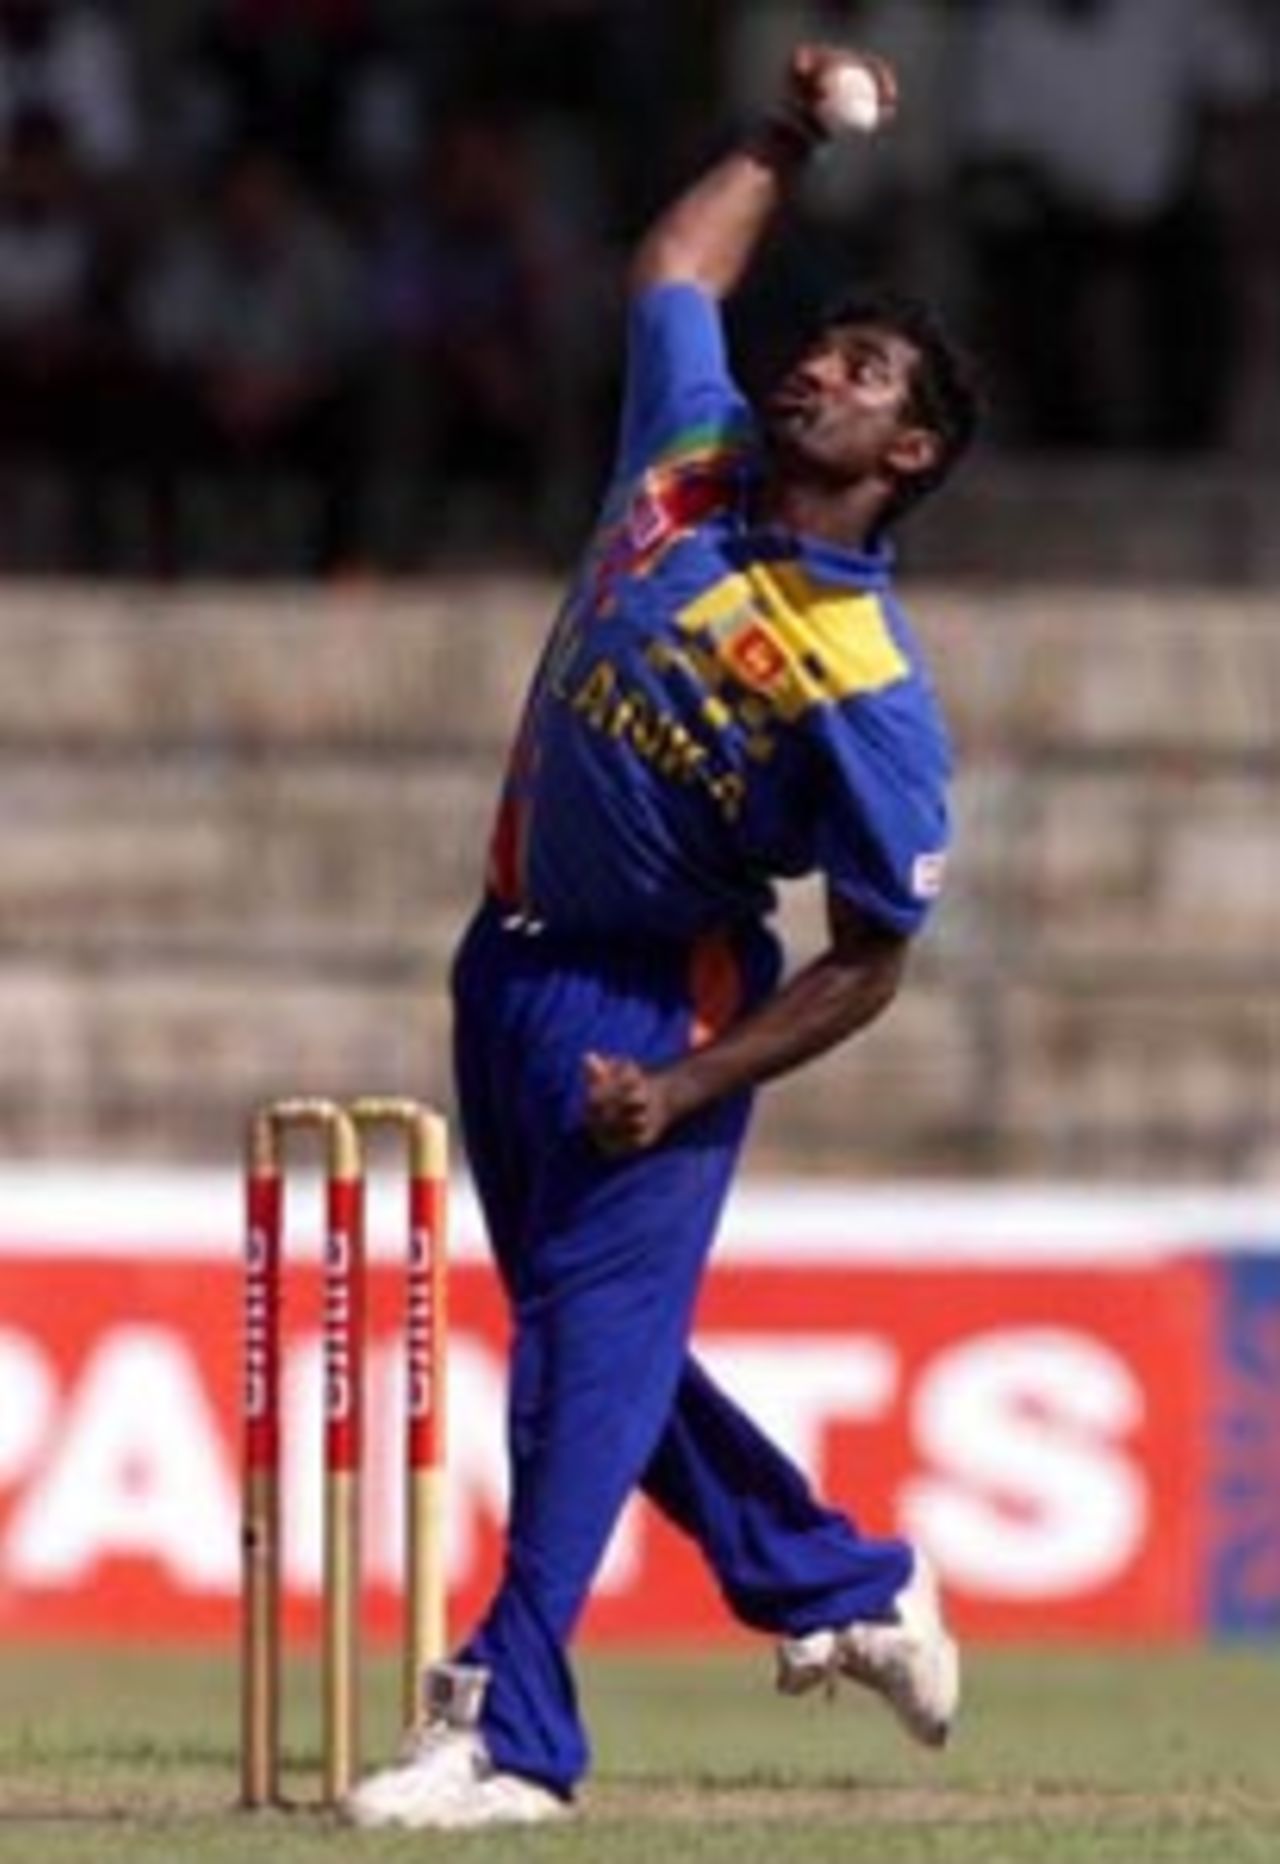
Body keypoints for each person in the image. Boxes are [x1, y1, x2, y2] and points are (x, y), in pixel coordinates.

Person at [348, 41, 978, 1833]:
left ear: (907, 450)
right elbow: (678, 274)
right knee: (592, 1348)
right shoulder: (690, 459)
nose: (818, 369)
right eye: (825, 346)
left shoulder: (872, 693)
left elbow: (873, 958)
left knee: (571, 1363)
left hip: (657, 1001)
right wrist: (783, 132)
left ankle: (515, 1732)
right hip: (511, 959)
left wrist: (689, 1084)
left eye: (861, 371)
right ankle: (837, 1578)